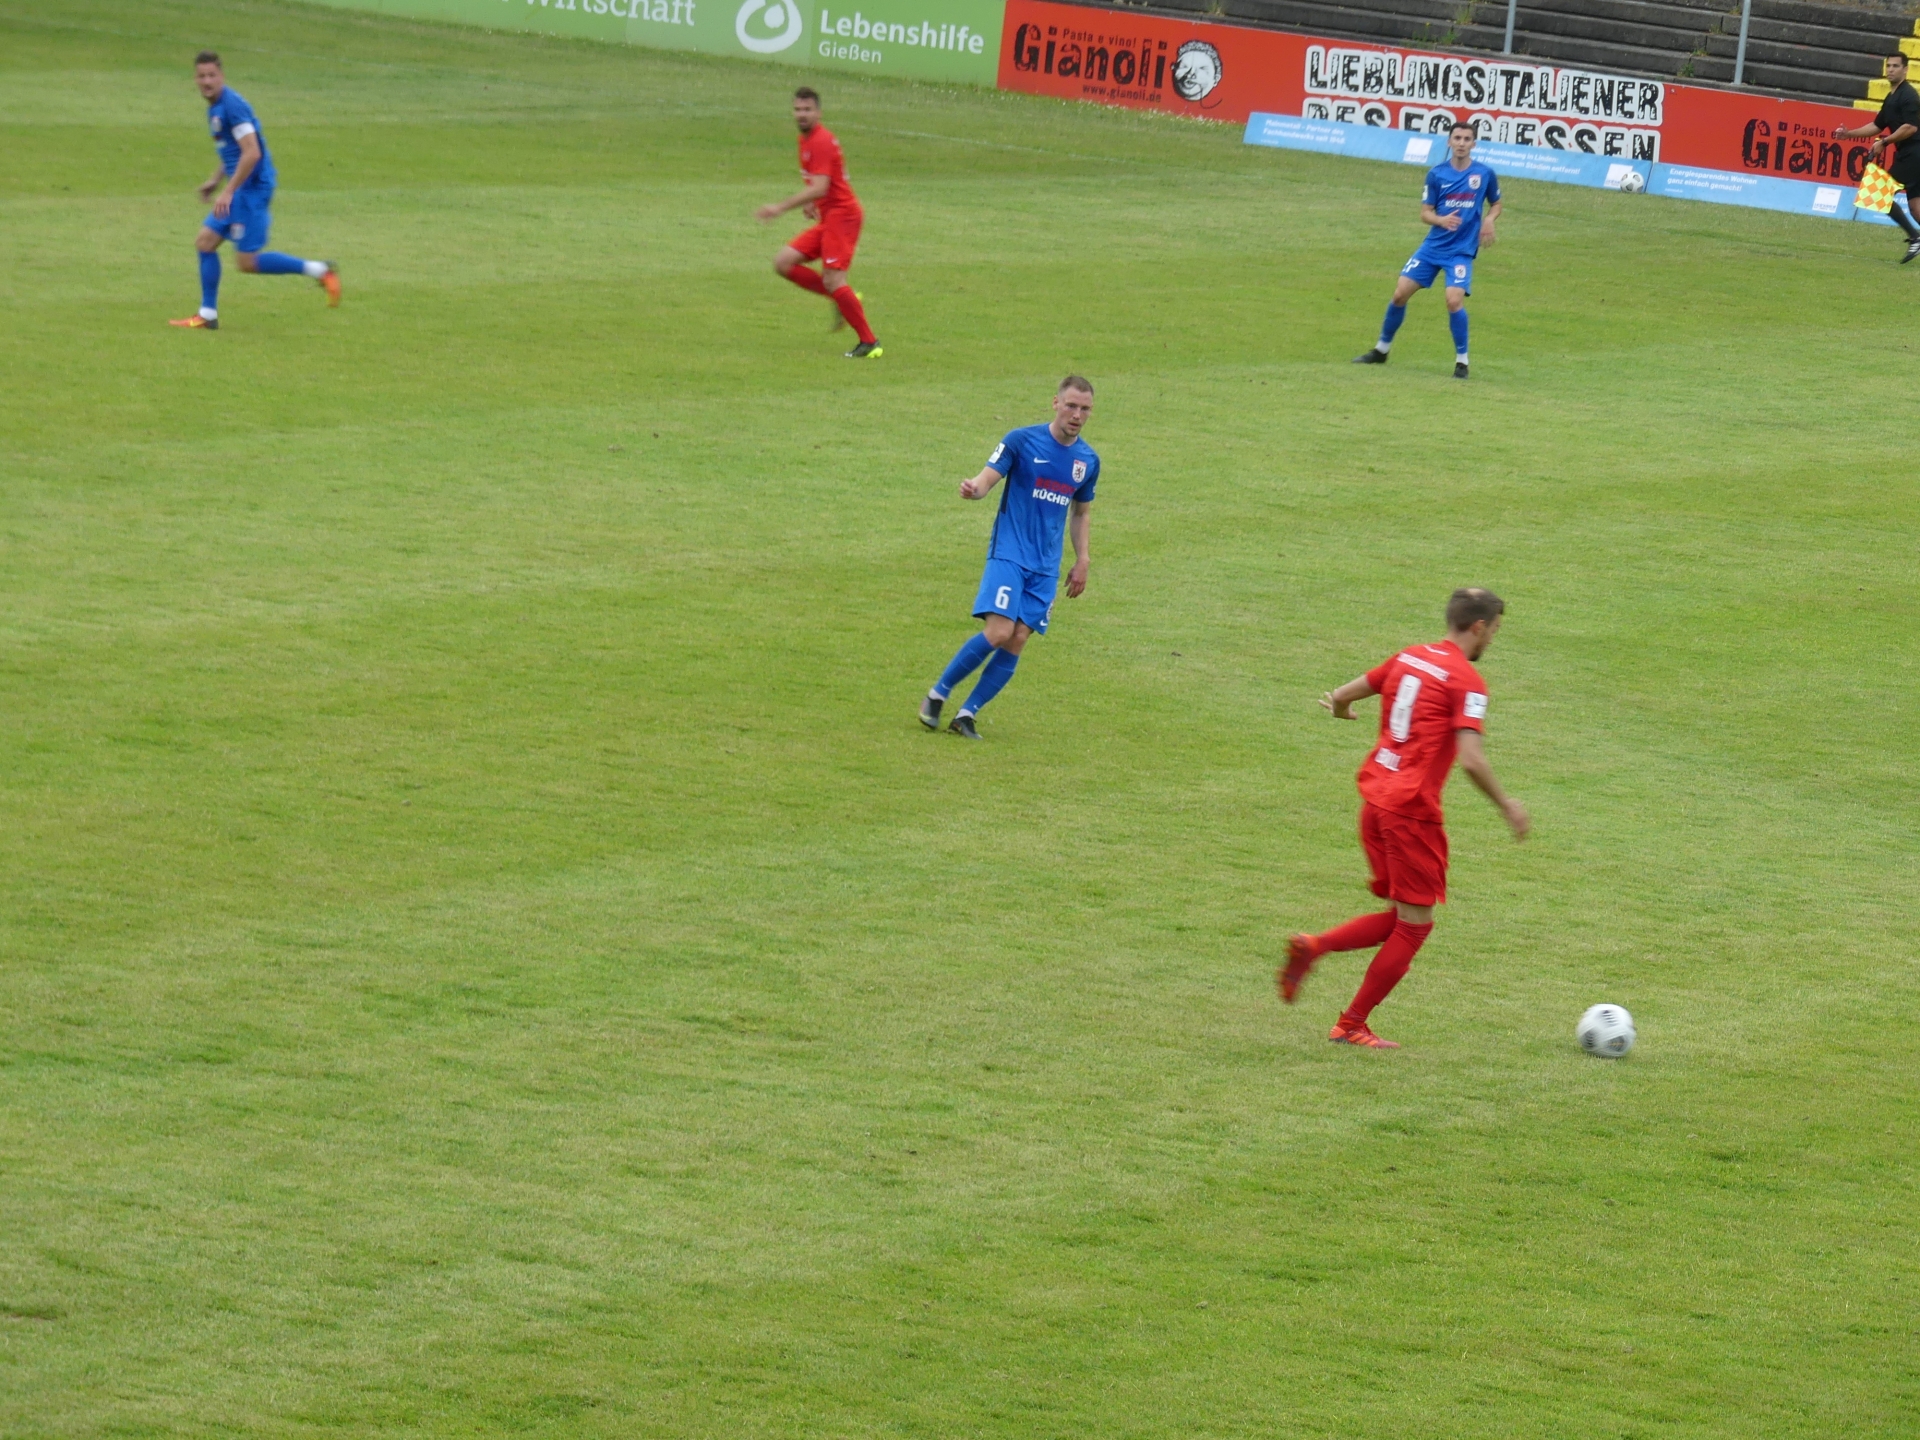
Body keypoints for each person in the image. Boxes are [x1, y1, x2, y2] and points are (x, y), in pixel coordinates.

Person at [1279, 588, 1530, 1048]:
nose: (1493, 639)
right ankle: (1351, 1024)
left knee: (1402, 916)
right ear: (1478, 627)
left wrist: (1342, 710)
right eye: (1494, 630)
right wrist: (1506, 804)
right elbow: (1472, 760)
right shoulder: (1467, 682)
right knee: (1415, 926)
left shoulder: (1409, 657)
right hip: (1411, 813)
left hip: (1375, 802)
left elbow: (1343, 694)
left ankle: (1315, 947)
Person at [920, 378, 1099, 740]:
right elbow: (987, 479)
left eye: (1084, 409)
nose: (1077, 415)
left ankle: (967, 714)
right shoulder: (1021, 440)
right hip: (1010, 552)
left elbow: (1081, 512)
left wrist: (1083, 559)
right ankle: (937, 695)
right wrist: (974, 489)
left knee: (1017, 638)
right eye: (1071, 406)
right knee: (999, 631)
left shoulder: (1087, 460)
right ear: (1055, 403)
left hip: (1045, 567)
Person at [170, 52, 339, 331]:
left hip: (251, 190)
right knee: (205, 243)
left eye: (212, 75)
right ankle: (207, 315)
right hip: (240, 187)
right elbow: (234, 152)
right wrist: (215, 180)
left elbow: (252, 153)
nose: (207, 81)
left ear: (222, 77)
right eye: (201, 76)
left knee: (246, 262)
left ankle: (321, 271)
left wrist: (228, 191)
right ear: (195, 79)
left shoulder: (232, 107)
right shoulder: (215, 107)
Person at [1353, 121, 1500, 379]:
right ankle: (1381, 350)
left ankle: (1462, 363)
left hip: (1460, 251)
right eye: (1457, 138)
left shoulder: (1484, 174)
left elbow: (1496, 203)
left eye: (1467, 139)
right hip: (1433, 248)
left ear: (1474, 144)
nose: (1462, 143)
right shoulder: (1436, 174)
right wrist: (1441, 220)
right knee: (1399, 294)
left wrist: (1489, 219)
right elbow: (1425, 214)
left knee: (1454, 301)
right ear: (1449, 142)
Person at [755, 87, 881, 359]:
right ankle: (843, 299)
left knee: (834, 279)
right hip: (830, 215)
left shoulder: (821, 141)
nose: (801, 114)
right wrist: (813, 202)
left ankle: (870, 342)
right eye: (797, 109)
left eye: (807, 110)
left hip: (843, 216)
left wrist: (779, 208)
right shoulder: (806, 140)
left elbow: (820, 187)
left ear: (818, 113)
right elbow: (824, 182)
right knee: (783, 262)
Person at [1835, 54, 1920, 264]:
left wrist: (1885, 141)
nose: (1890, 69)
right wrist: (1849, 134)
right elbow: (1877, 125)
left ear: (1905, 70)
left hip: (1914, 153)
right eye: (1888, 65)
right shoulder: (1891, 97)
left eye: (1895, 66)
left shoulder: (1909, 96)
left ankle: (1915, 237)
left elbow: (1911, 127)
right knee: (1915, 207)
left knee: (1879, 192)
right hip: (1910, 154)